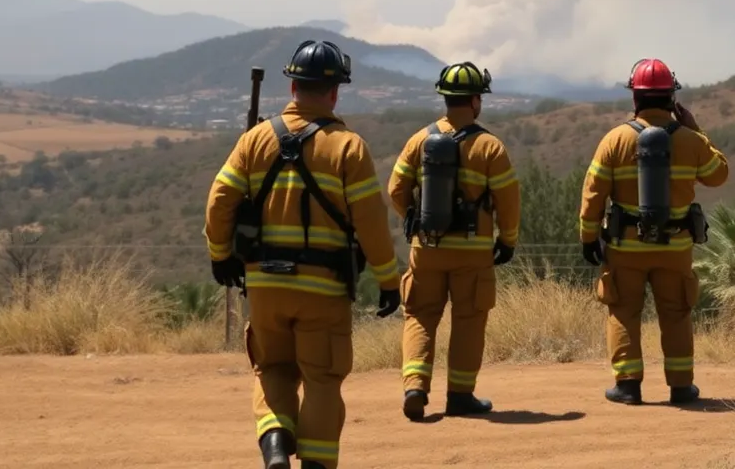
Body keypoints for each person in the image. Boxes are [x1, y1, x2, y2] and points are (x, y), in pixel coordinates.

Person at [204, 39, 402, 469]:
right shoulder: (349, 147)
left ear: (293, 87)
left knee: (272, 369)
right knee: (322, 379)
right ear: (334, 92)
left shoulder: (255, 139)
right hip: (323, 290)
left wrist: (221, 255)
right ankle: (316, 462)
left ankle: (275, 443)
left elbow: (220, 200)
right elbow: (371, 222)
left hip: (264, 286)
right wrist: (389, 281)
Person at [578, 57, 729, 405]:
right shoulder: (691, 141)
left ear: (635, 98)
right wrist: (697, 129)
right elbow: (718, 175)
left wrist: (588, 239)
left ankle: (628, 386)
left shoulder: (614, 140)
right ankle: (680, 387)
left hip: (626, 249)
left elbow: (593, 194)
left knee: (623, 311)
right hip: (675, 249)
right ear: (672, 100)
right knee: (676, 313)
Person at [387, 61, 522, 421]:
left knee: (419, 316)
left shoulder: (419, 140)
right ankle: (460, 395)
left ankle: (415, 386)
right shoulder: (490, 147)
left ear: (445, 98)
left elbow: (395, 189)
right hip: (473, 252)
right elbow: (509, 201)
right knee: (468, 320)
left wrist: (413, 218)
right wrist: (507, 240)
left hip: (427, 247)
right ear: (476, 101)